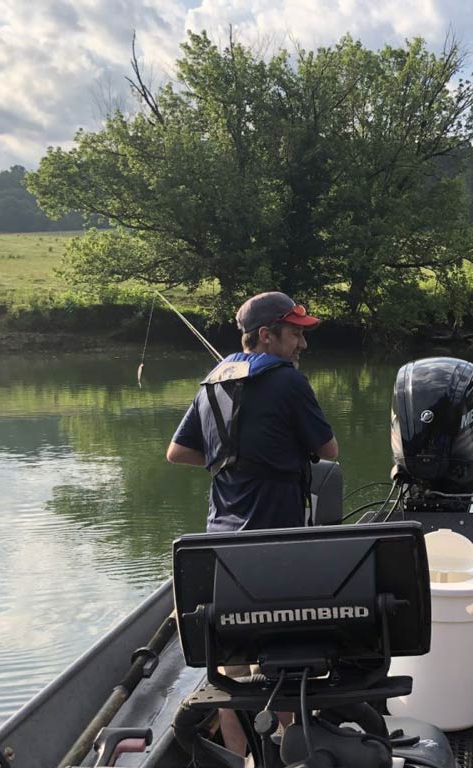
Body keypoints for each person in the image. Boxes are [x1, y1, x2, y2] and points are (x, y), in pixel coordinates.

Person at [166, 290, 338, 755]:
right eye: (296, 334)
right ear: (266, 335)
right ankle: (290, 746)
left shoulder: (212, 382)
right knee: (282, 652)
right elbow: (329, 452)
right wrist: (270, 454)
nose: (302, 345)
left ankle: (241, 756)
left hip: (220, 544)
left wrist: (232, 459)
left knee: (230, 665)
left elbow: (177, 452)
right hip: (276, 539)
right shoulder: (287, 381)